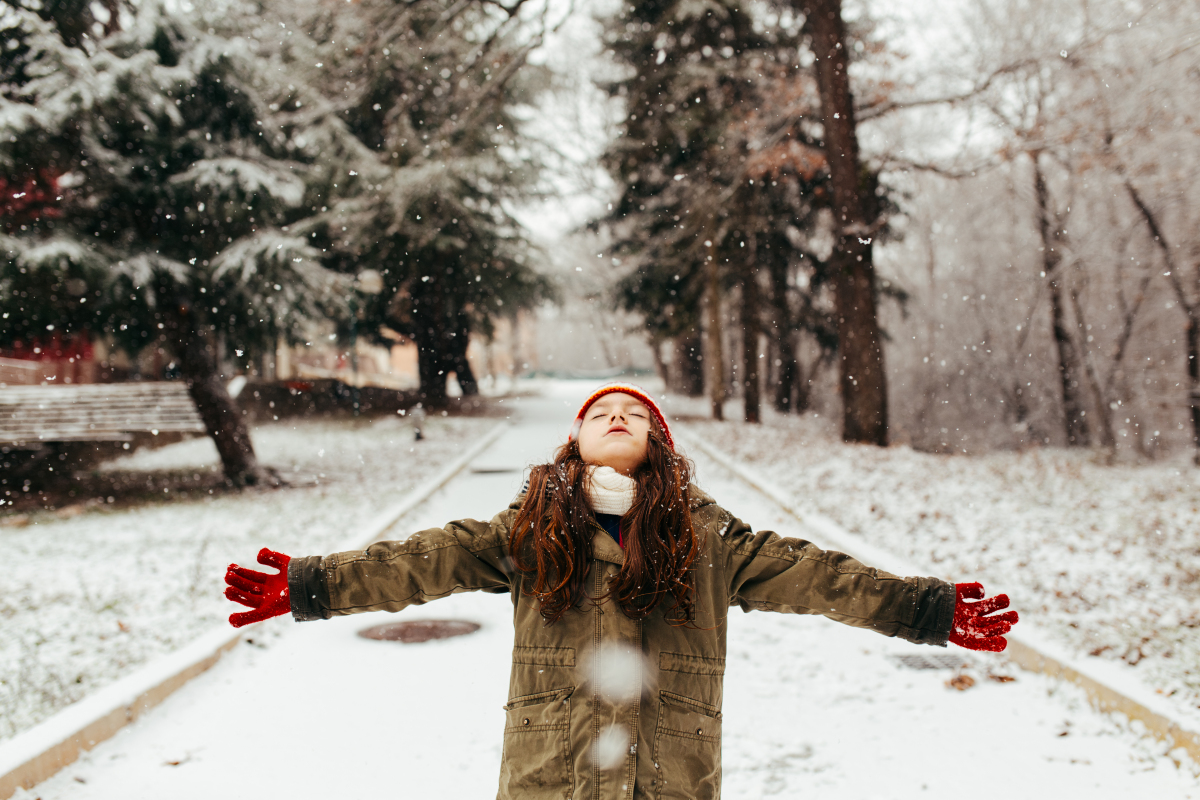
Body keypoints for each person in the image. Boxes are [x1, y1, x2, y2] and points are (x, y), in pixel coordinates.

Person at [224, 383, 1018, 800]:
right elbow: (424, 560)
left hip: (667, 777)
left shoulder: (711, 539)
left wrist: (927, 609)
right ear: (574, 439)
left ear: (658, 445)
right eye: (599, 412)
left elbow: (819, 577)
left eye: (631, 413)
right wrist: (314, 585)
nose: (614, 416)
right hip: (551, 777)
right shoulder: (529, 528)